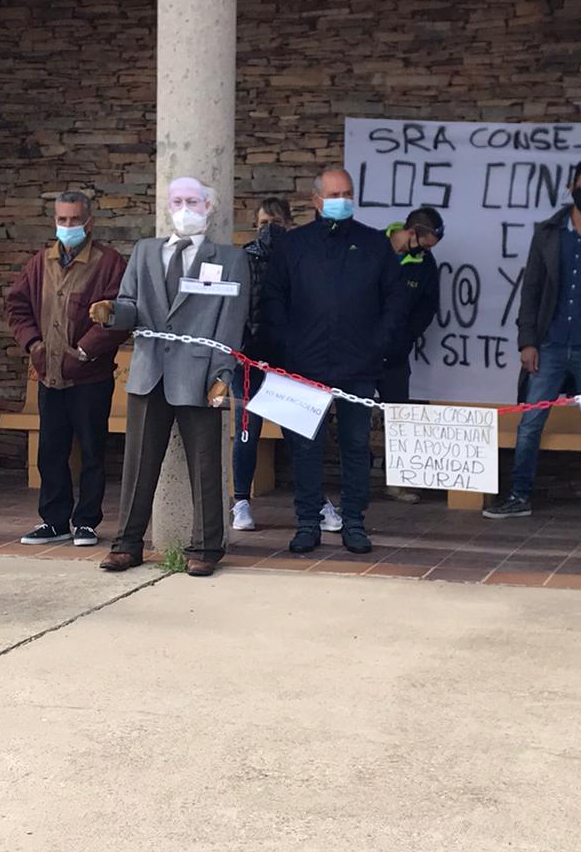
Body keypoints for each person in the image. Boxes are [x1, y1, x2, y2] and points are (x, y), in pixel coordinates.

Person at [91, 177, 250, 577]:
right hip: (149, 372)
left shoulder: (229, 259)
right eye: (177, 201)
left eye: (193, 201)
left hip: (199, 372)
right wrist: (112, 313)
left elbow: (231, 323)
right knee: (138, 464)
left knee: (205, 462)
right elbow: (131, 305)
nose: (185, 208)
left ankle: (207, 545)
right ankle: (127, 544)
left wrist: (223, 373)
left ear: (209, 207)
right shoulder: (145, 251)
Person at [259, 166, 408, 556]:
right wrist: (286, 346)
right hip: (301, 366)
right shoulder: (293, 246)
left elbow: (395, 301)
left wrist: (378, 345)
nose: (342, 201)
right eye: (334, 194)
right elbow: (273, 299)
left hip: (358, 365)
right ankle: (307, 521)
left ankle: (354, 522)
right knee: (304, 447)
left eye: (347, 193)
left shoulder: (374, 244)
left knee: (356, 445)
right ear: (316, 200)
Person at [485, 160, 581, 526]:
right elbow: (532, 289)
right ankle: (519, 496)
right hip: (549, 345)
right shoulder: (549, 233)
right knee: (530, 423)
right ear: (571, 187)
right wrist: (528, 341)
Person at [5, 191, 129, 547]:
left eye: (75, 219)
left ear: (89, 222)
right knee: (51, 451)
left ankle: (87, 521)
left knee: (92, 450)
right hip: (49, 374)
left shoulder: (108, 263)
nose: (69, 226)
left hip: (90, 376)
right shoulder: (39, 263)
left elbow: (120, 314)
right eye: (63, 220)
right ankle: (54, 520)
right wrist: (34, 345)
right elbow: (16, 307)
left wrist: (85, 351)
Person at [230, 197, 292, 532]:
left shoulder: (298, 257)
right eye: (263, 223)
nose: (269, 230)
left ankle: (312, 502)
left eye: (276, 222)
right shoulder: (244, 258)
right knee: (246, 432)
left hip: (287, 360)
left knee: (297, 432)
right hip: (248, 358)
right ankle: (241, 501)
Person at [379, 207, 445, 503]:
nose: (427, 251)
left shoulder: (425, 265)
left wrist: (407, 335)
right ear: (412, 232)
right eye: (425, 244)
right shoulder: (373, 247)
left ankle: (399, 481)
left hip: (395, 352)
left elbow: (428, 306)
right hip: (358, 351)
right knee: (351, 416)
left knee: (400, 415)